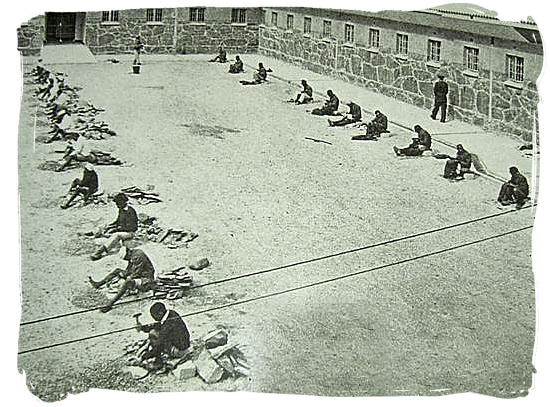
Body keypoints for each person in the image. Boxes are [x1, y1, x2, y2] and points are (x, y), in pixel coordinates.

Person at [89, 247, 156, 312]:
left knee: (128, 281)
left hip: (147, 279)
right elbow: (130, 268)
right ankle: (99, 284)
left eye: (125, 258)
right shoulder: (134, 253)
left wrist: (125, 276)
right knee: (117, 271)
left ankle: (110, 304)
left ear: (128, 253)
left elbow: (135, 274)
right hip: (140, 275)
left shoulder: (137, 256)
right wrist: (123, 274)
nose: (126, 260)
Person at [90, 193, 138, 260]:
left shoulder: (130, 211)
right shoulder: (121, 210)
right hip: (122, 230)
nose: (117, 205)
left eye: (118, 203)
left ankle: (99, 252)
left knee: (116, 235)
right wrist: (110, 226)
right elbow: (117, 221)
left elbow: (133, 227)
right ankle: (94, 233)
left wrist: (117, 229)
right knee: (105, 225)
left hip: (130, 232)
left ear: (123, 202)